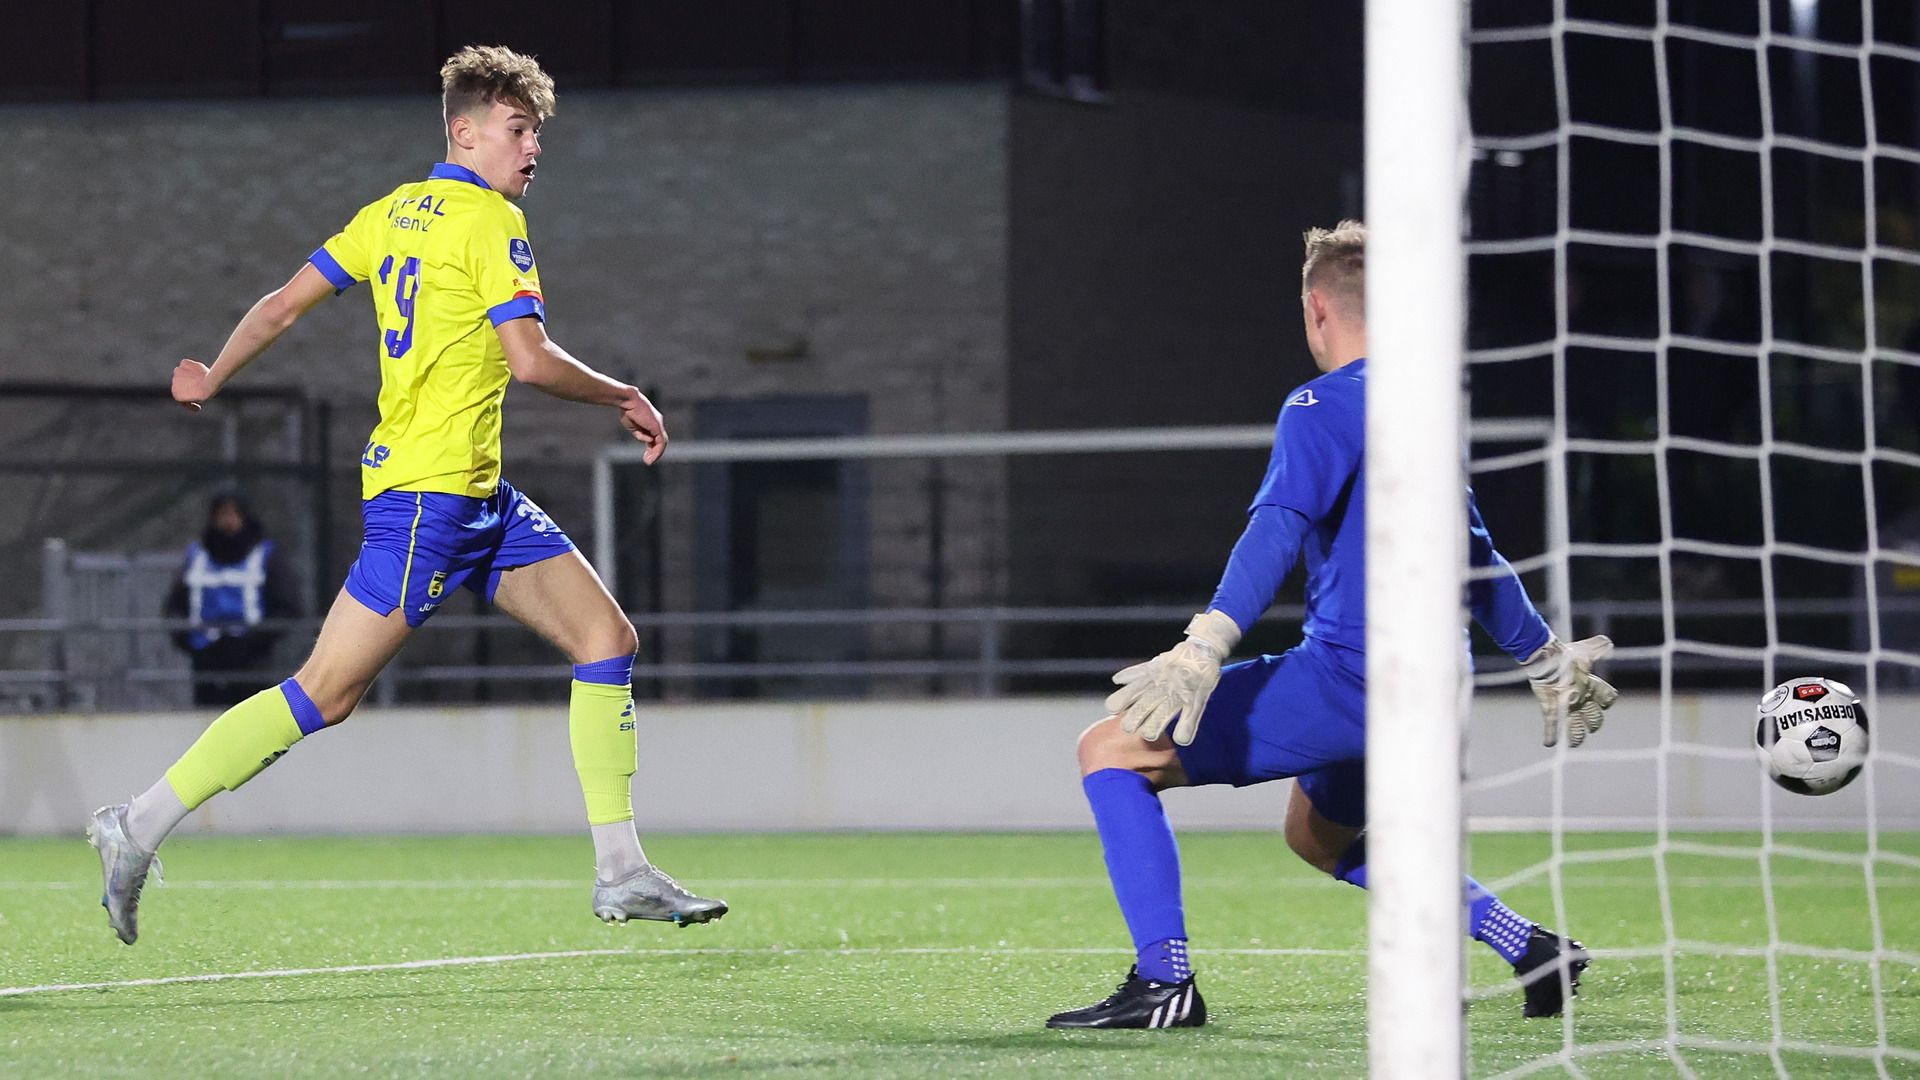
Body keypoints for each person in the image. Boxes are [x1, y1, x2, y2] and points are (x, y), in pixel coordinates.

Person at [88, 44, 726, 945]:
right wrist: (624, 394)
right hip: (429, 501)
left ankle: (621, 870)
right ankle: (138, 825)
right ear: (463, 133)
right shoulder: (489, 221)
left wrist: (213, 374)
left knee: (606, 638)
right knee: (323, 692)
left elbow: (281, 304)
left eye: (536, 131)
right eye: (516, 129)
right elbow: (531, 359)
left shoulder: (390, 213)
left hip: (477, 498)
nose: (532, 147)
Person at [1045, 220, 1618, 1030]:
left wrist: (1204, 643)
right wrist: (1542, 656)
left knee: (1108, 750)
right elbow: (1475, 553)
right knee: (1317, 835)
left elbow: (1276, 526)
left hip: (1354, 679)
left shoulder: (1321, 403)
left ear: (1318, 309)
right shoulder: (1424, 408)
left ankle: (1164, 981)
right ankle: (1530, 945)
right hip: (1432, 687)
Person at [164, 493, 300, 707]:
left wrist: (254, 642)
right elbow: (174, 606)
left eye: (234, 513)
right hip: (206, 660)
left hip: (253, 662)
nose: (228, 521)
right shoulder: (196, 556)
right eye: (222, 514)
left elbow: (288, 605)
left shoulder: (265, 555)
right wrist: (190, 642)